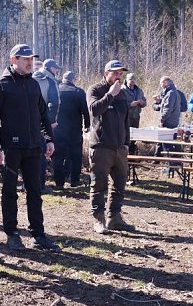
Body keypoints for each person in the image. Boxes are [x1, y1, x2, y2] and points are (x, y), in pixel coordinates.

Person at [0, 44, 60, 251]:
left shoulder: (34, 84)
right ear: (13, 60)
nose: (30, 62)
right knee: (9, 192)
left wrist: (49, 139)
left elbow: (43, 116)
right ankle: (12, 233)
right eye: (25, 59)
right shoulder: (1, 85)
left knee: (35, 191)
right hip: (10, 148)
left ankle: (38, 234)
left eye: (31, 59)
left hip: (34, 147)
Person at [87, 60, 135, 233]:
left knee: (119, 185)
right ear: (105, 73)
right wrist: (109, 95)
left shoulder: (122, 94)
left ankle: (114, 218)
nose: (118, 77)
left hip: (119, 148)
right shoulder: (95, 90)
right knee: (99, 184)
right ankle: (98, 220)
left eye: (120, 73)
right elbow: (94, 110)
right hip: (101, 147)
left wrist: (126, 144)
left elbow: (125, 121)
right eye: (115, 73)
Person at [53, 71, 90, 188]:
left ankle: (59, 182)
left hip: (58, 129)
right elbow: (85, 111)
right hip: (74, 130)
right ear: (73, 80)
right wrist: (87, 125)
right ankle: (74, 180)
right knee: (75, 156)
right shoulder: (79, 92)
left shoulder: (56, 90)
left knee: (58, 156)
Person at [33, 58, 60, 193]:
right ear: (51, 68)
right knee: (42, 154)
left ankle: (32, 184)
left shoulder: (33, 77)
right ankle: (40, 186)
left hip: (31, 122)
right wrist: (52, 121)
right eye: (55, 68)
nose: (56, 71)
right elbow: (53, 103)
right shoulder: (49, 80)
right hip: (43, 123)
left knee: (33, 154)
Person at [121, 72, 146, 157]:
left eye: (133, 79)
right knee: (125, 137)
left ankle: (133, 156)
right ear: (126, 80)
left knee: (134, 137)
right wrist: (130, 104)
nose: (132, 81)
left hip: (136, 117)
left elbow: (145, 102)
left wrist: (142, 103)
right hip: (126, 117)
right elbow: (119, 104)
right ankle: (124, 156)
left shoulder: (139, 90)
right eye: (130, 79)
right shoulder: (122, 90)